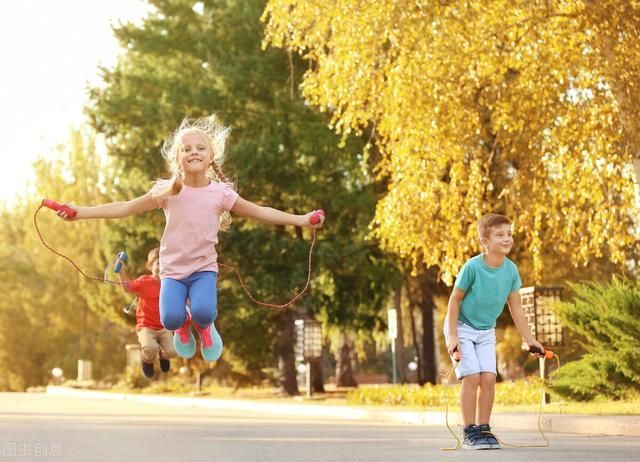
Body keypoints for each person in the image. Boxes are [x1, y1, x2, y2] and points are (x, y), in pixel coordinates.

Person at [56, 115, 324, 362]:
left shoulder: (221, 194)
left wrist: (301, 219)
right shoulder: (167, 192)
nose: (193, 151)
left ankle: (206, 329)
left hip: (202, 270)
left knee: (204, 312)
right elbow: (124, 207)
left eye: (200, 147)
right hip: (172, 271)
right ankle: (184, 327)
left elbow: (261, 212)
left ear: (211, 157)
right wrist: (80, 212)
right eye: (186, 148)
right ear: (177, 159)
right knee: (170, 320)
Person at [443, 213, 544, 450]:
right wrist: (453, 336)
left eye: (509, 233)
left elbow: (516, 307)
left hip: (486, 331)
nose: (507, 238)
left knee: (489, 378)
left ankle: (483, 429)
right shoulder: (473, 267)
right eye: (500, 235)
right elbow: (454, 301)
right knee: (472, 376)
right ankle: (469, 431)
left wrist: (530, 340)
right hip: (461, 327)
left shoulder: (511, 270)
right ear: (485, 242)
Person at [116, 247, 176, 379]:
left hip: (164, 327)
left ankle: (163, 356)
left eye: (165, 263)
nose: (161, 267)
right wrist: (121, 272)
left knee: (173, 351)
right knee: (150, 348)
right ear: (150, 266)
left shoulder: (171, 284)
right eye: (158, 263)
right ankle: (146, 360)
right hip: (146, 327)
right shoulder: (144, 281)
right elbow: (127, 287)